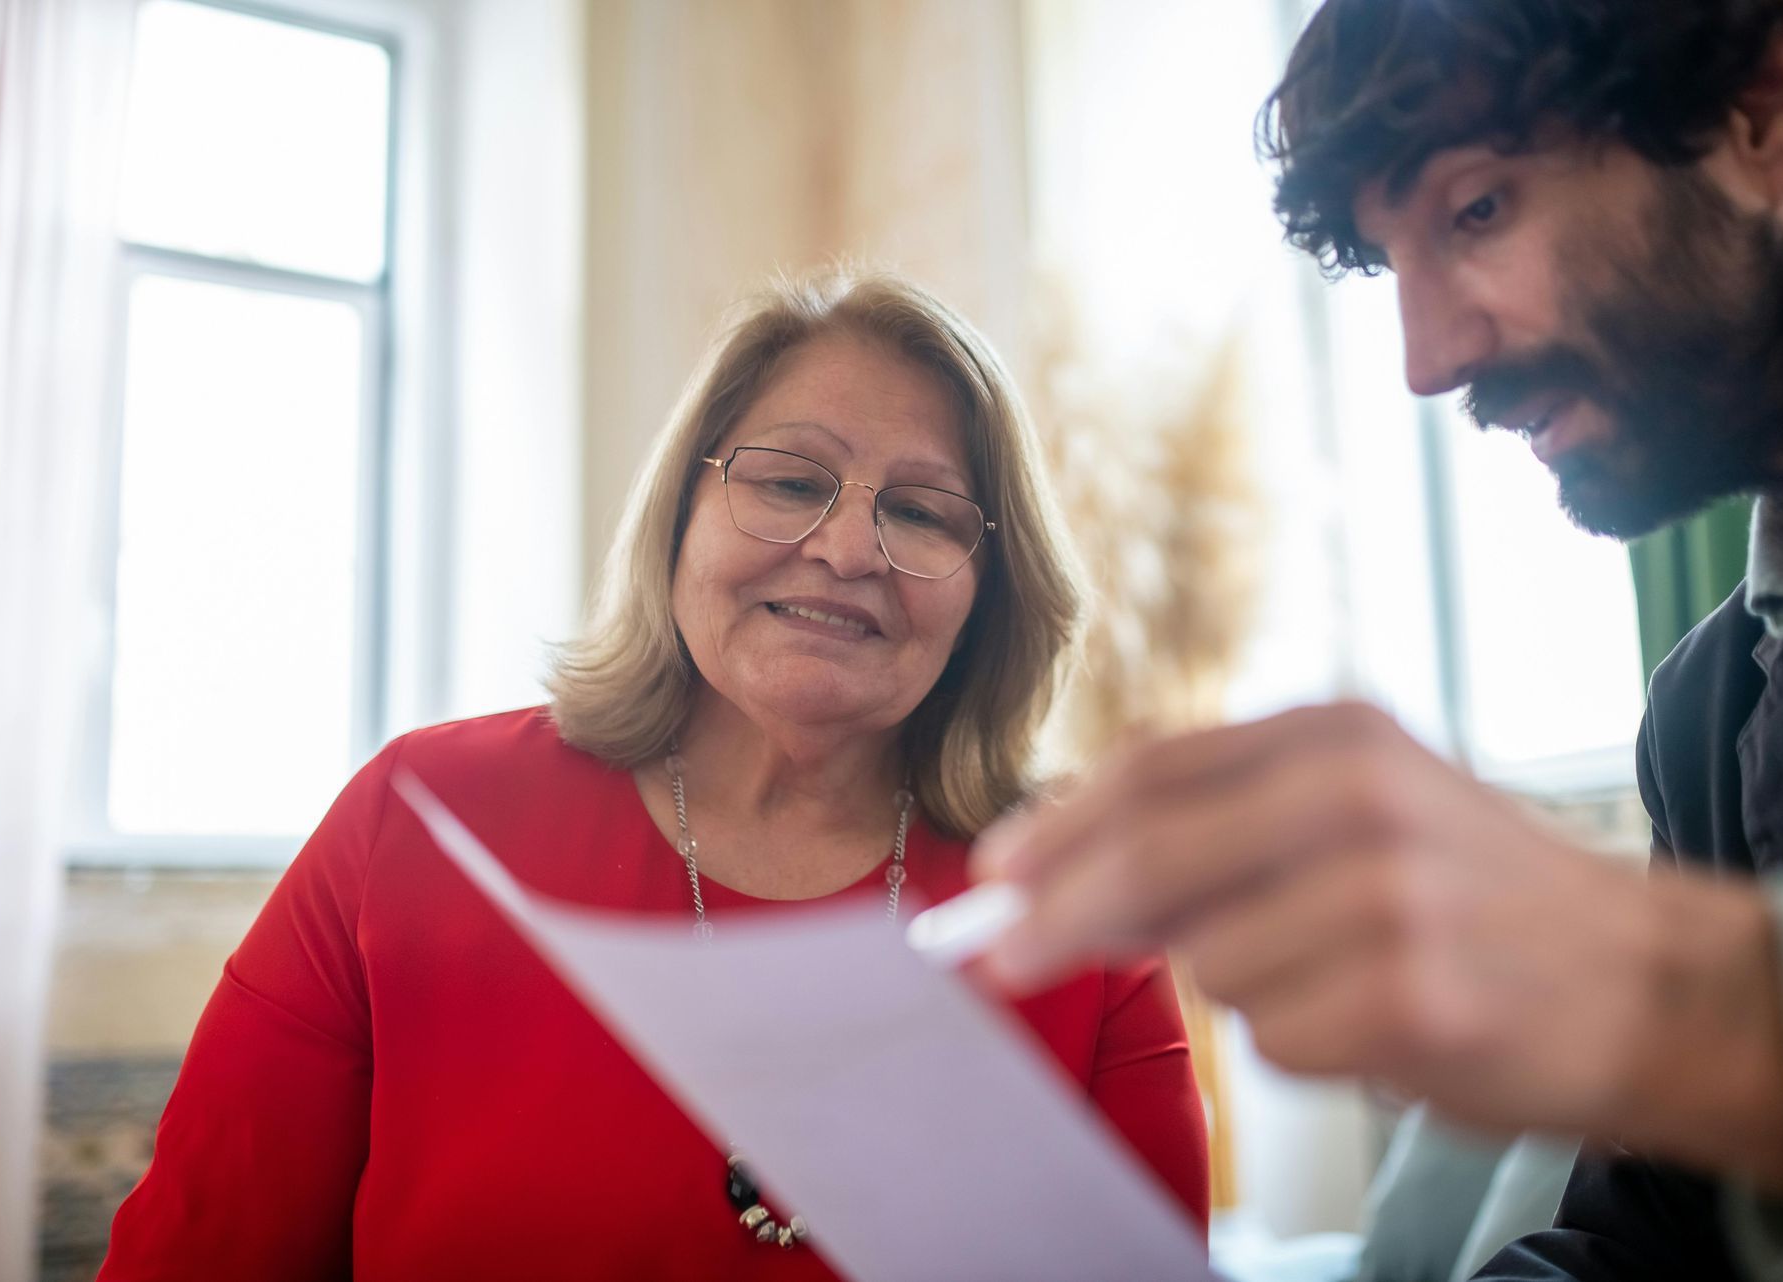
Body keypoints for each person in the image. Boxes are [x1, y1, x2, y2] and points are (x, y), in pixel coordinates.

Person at [972, 1, 1783, 1277]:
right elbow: (1655, 1247)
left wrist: (1691, 1008)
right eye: (1390, 257)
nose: (1427, 358)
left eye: (1478, 210)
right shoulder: (1710, 714)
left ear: (1763, 109)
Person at [97, 270, 1209, 1280]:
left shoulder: (1077, 913)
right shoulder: (418, 822)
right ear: (680, 511)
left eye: (920, 510)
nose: (848, 548)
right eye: (789, 482)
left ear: (989, 593)